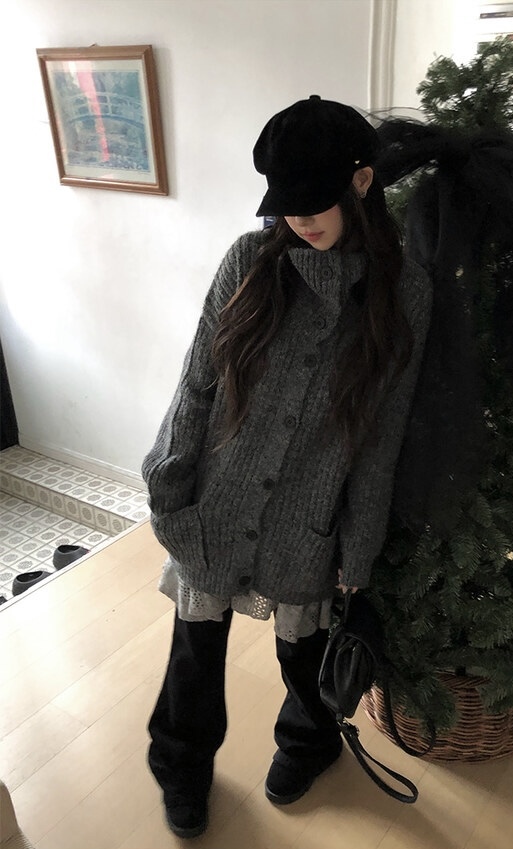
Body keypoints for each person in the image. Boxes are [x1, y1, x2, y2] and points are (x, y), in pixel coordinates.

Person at [141, 94, 432, 839]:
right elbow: (198, 379)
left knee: (306, 659)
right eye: (285, 201)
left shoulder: (402, 291)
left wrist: (358, 549)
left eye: (314, 199)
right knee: (194, 652)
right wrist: (170, 479)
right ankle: (181, 765)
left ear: (361, 181)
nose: (298, 218)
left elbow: (384, 434)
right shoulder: (249, 259)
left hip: (312, 514)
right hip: (218, 499)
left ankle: (308, 745)